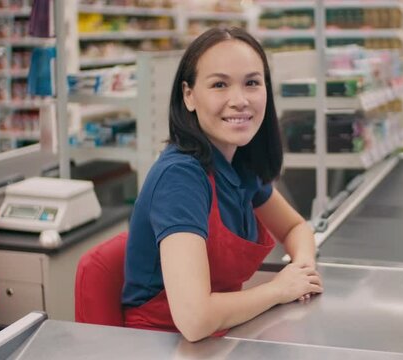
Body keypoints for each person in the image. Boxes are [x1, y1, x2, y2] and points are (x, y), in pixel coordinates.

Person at [121, 27, 323, 342]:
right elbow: (195, 319)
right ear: (188, 95)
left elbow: (296, 228)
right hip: (163, 343)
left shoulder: (238, 162)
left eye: (252, 83)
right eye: (219, 84)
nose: (240, 100)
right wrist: (280, 289)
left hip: (225, 333)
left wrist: (303, 270)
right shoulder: (180, 178)